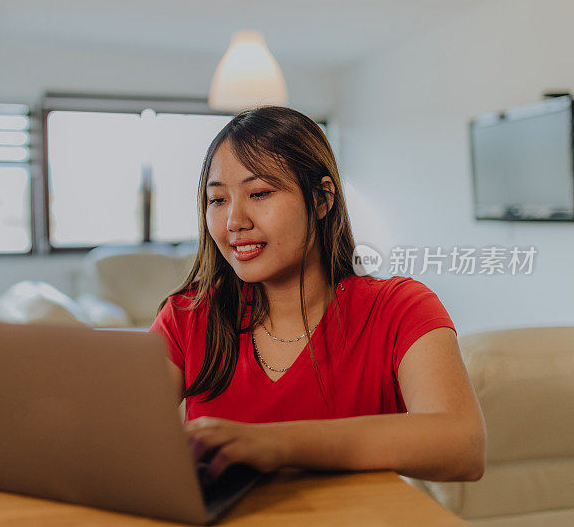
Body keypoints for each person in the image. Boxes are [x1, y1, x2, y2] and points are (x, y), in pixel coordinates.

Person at [149, 106, 486, 484]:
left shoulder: (398, 307)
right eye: (217, 200)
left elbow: (463, 445)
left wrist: (276, 445)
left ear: (322, 199)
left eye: (259, 193)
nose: (234, 222)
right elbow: (123, 437)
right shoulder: (188, 316)